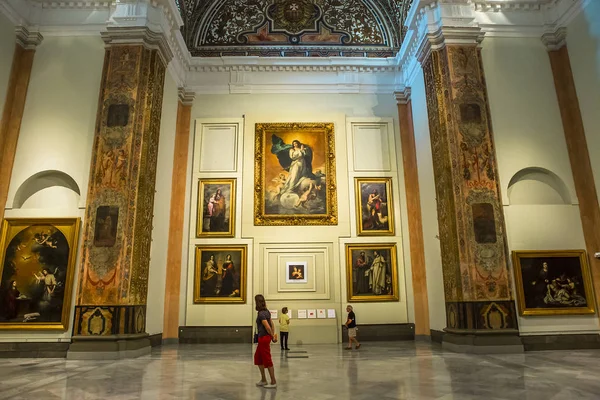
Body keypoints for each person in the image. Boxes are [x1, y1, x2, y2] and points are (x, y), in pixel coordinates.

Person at [254, 294, 277, 389]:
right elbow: (272, 323)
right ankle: (263, 379)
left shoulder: (261, 314)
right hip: (263, 338)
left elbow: (267, 326)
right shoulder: (266, 311)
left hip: (263, 338)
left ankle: (273, 381)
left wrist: (272, 336)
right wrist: (273, 334)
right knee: (258, 358)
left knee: (267, 359)